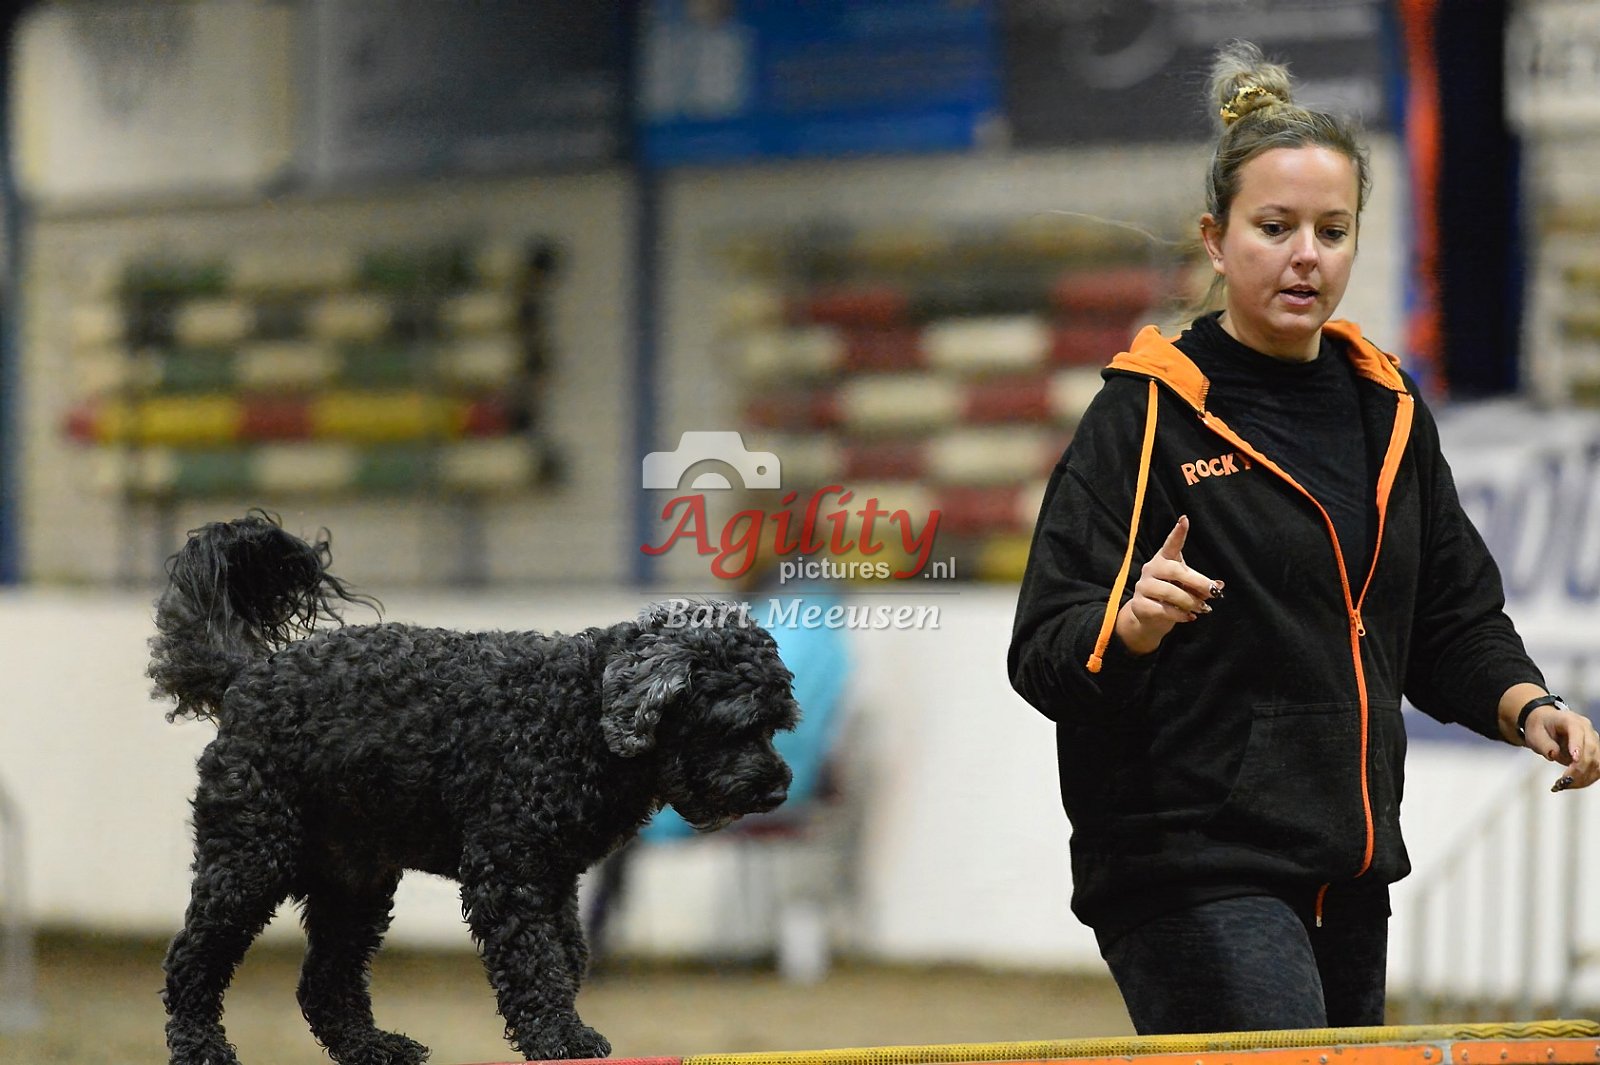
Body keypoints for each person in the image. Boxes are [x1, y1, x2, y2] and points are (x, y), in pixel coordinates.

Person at [1006, 40, 1600, 1035]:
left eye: (1333, 230)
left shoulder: (1388, 409)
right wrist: (1131, 623)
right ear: (1215, 239)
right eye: (1274, 228)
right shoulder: (1142, 417)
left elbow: (1449, 617)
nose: (1306, 256)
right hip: (1185, 866)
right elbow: (1043, 650)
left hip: (1347, 868)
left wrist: (1524, 703)